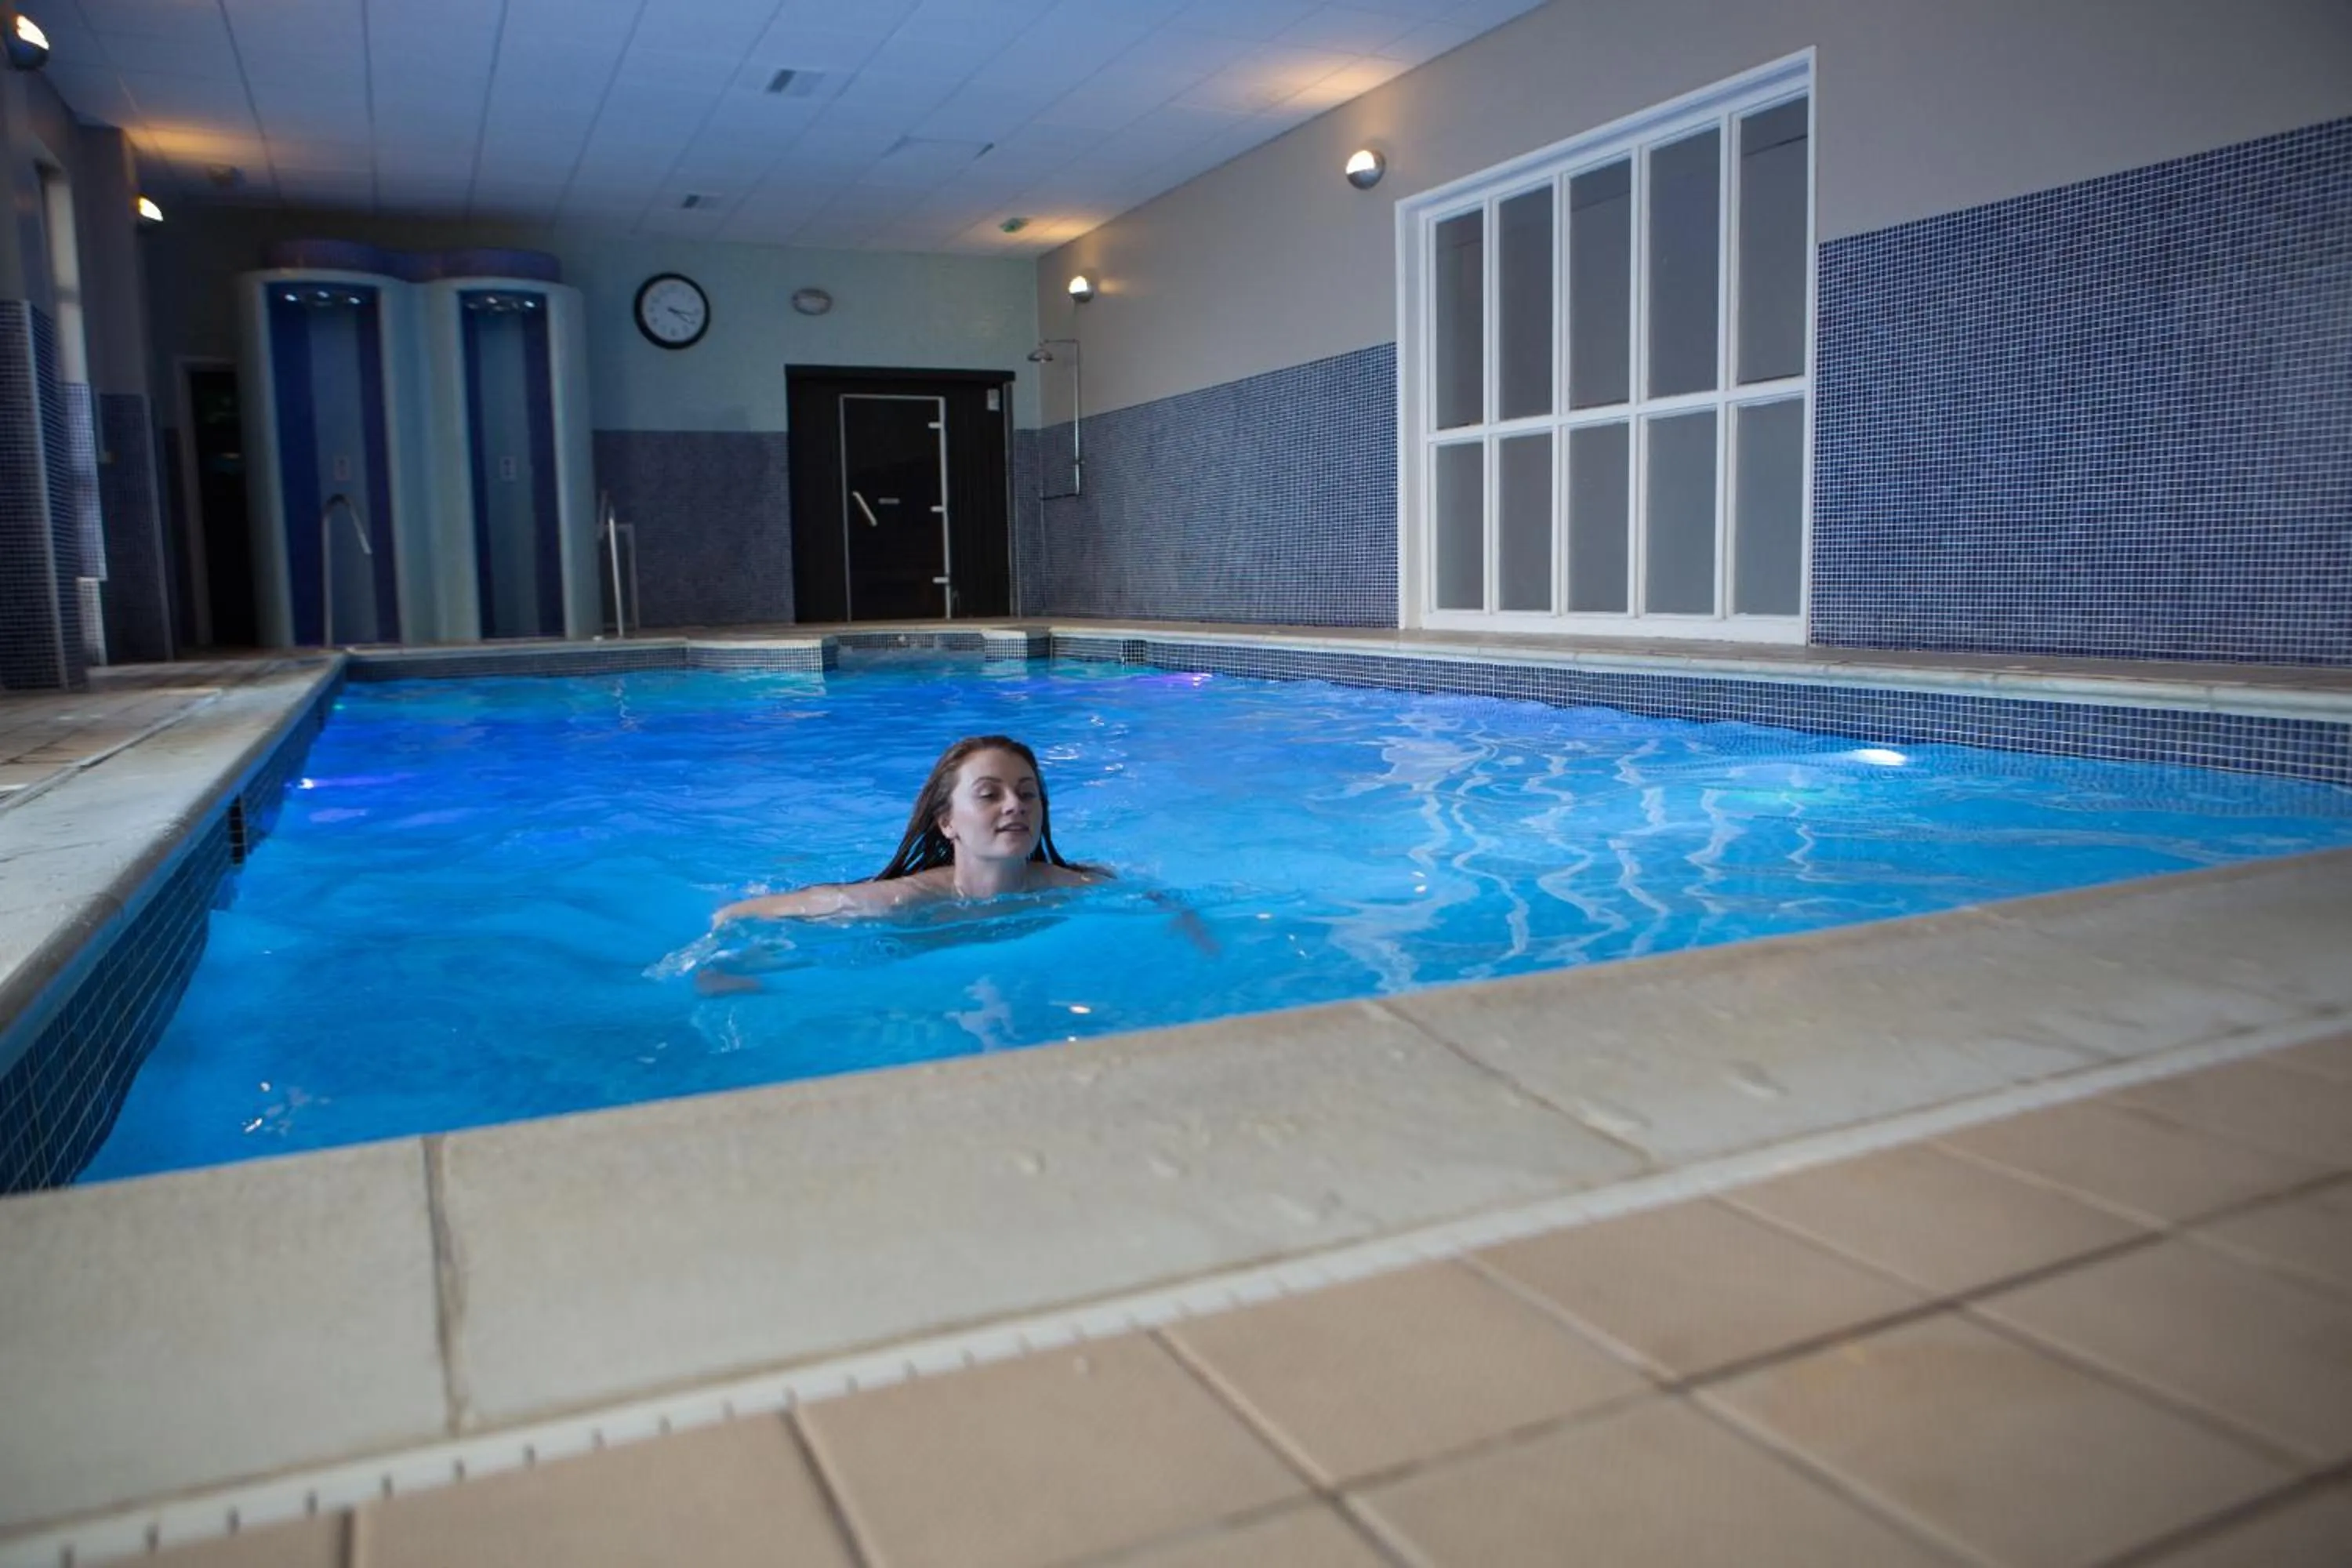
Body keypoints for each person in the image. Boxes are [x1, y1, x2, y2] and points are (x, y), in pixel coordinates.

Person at [713, 735, 1105, 924]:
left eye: (1027, 794)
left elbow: (1159, 904)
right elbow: (737, 915)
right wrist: (722, 971)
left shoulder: (1069, 886)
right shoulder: (898, 901)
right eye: (988, 794)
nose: (1015, 804)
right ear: (947, 822)